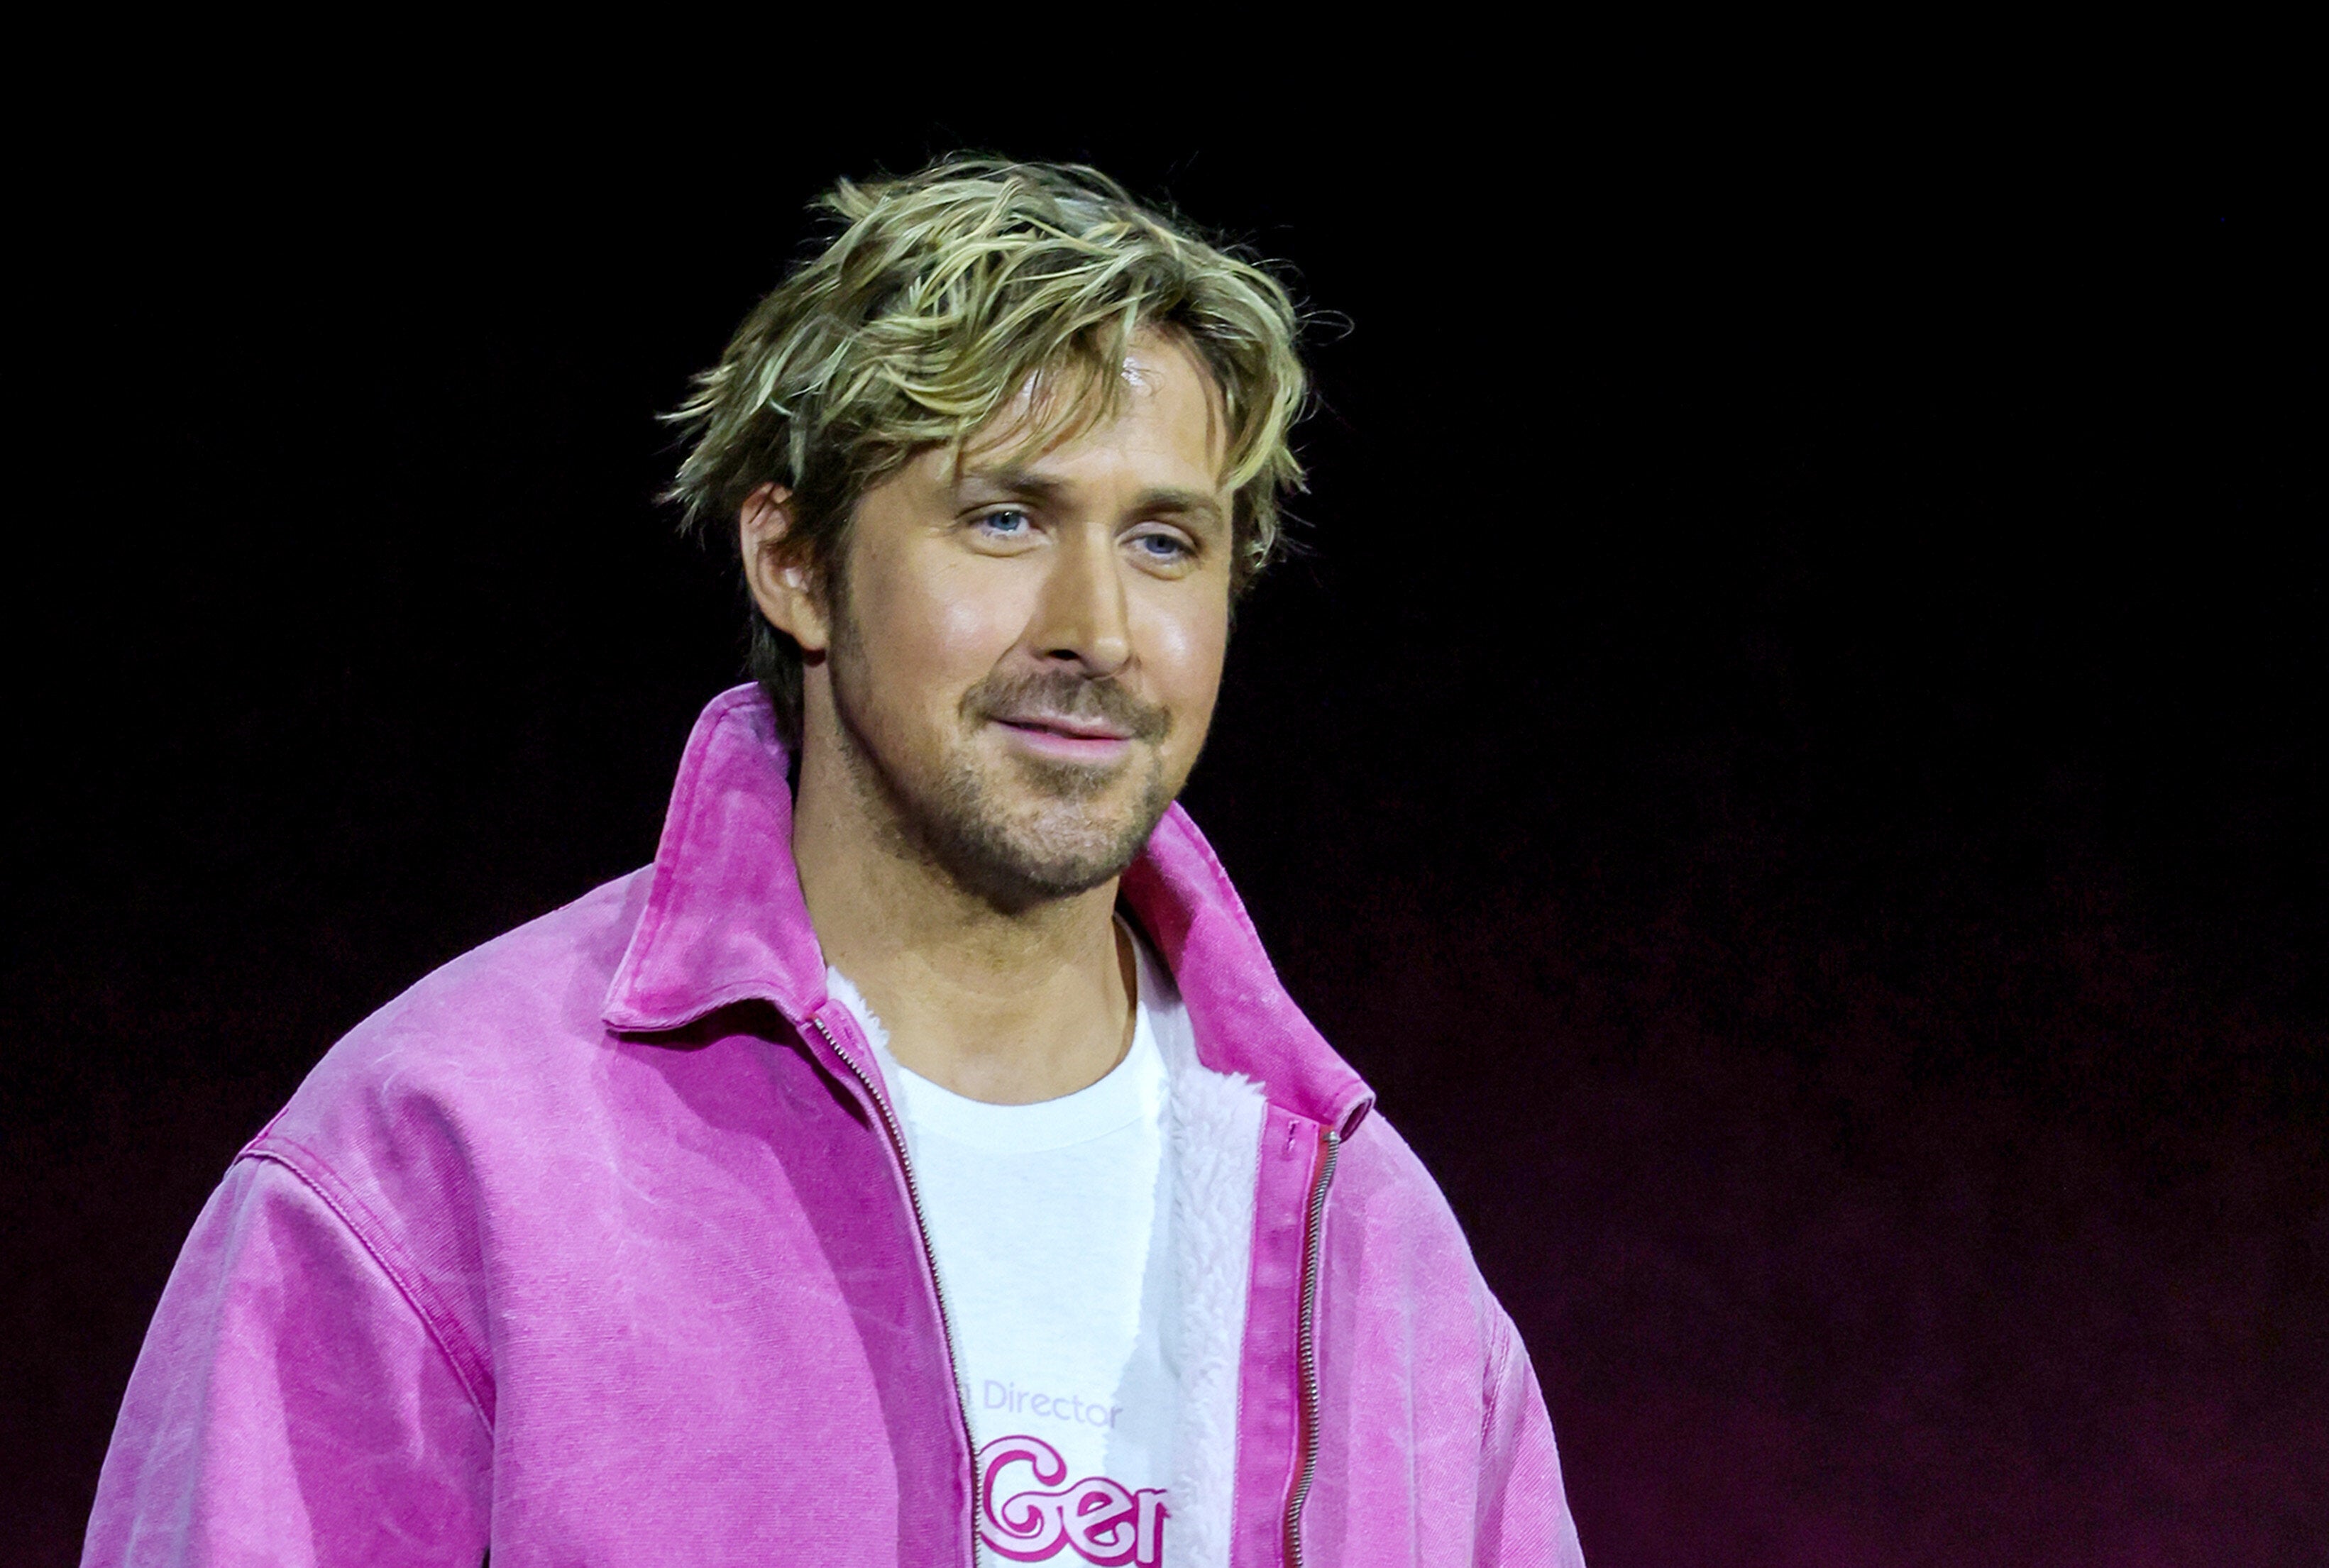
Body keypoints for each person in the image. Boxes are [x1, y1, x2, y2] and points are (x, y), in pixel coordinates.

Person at [84, 159, 1587, 1568]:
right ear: (794, 562)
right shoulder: (433, 1159)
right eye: (1005, 517)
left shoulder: (1378, 1262)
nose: (1098, 629)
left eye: (1164, 542)